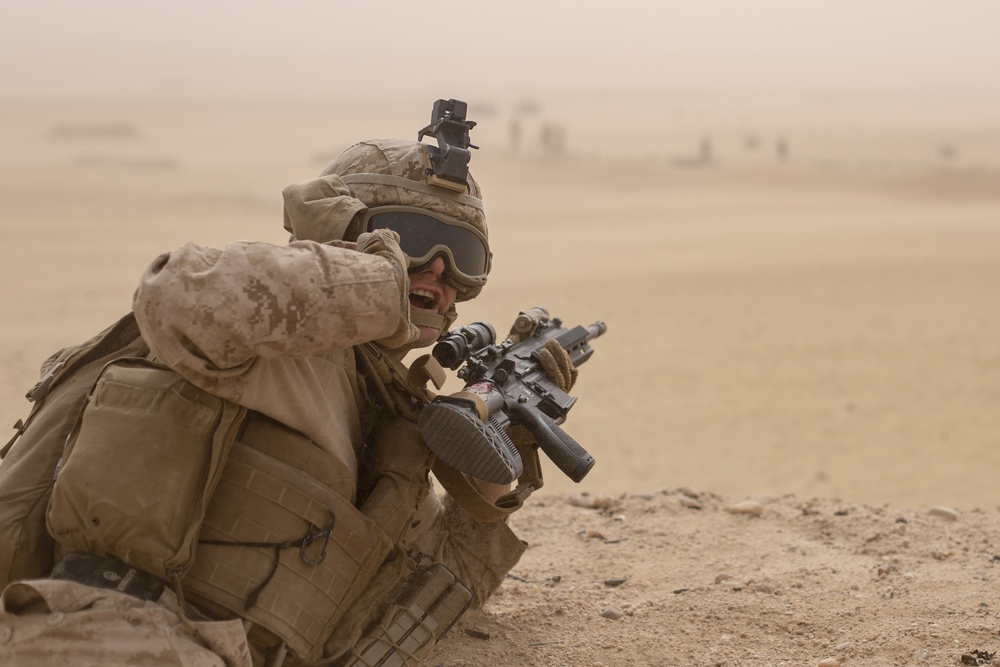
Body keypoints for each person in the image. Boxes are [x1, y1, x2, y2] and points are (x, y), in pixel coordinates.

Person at [0, 100, 562, 666]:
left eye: (461, 256)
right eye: (409, 239)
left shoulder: (387, 417)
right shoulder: (259, 342)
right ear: (344, 234)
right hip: (100, 642)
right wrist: (368, 276)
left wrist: (502, 455)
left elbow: (431, 600)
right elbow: (177, 296)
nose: (438, 271)